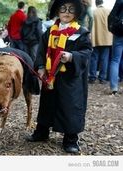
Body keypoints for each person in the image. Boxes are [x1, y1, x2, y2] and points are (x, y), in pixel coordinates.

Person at [26, 0, 92, 154]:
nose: (67, 12)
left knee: (70, 106)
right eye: (63, 9)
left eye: (70, 9)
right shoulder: (49, 32)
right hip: (51, 77)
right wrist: (41, 67)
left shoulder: (80, 32)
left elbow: (87, 52)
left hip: (70, 79)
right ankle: (42, 132)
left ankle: (70, 139)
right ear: (57, 12)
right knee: (47, 104)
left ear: (76, 13)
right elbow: (41, 51)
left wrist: (72, 56)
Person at [88, 0, 113, 84]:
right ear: (102, 2)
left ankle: (92, 78)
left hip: (95, 38)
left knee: (94, 58)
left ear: (96, 3)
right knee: (104, 58)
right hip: (106, 38)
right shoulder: (108, 11)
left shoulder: (93, 12)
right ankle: (102, 78)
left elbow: (89, 24)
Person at [108, 0, 123, 95]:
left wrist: (111, 29)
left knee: (115, 60)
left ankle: (114, 87)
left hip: (119, 33)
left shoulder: (119, 1)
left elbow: (111, 16)